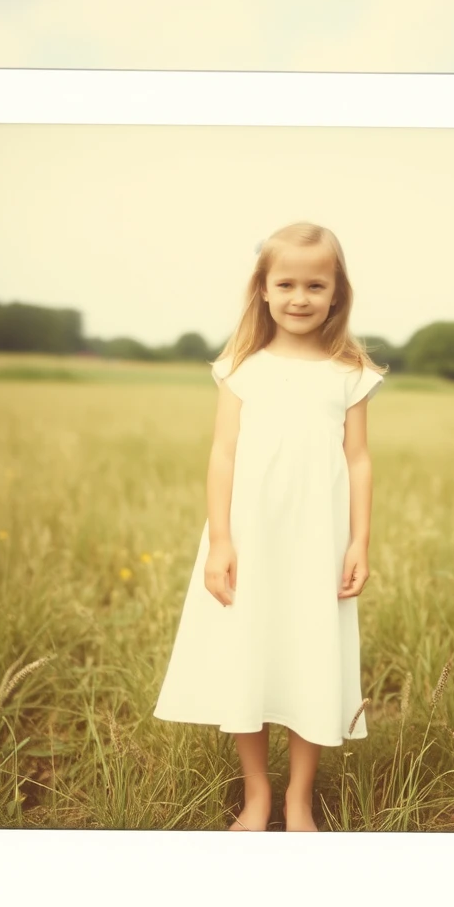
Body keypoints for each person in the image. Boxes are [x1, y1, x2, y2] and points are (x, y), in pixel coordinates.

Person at [153, 221, 387, 832]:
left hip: (317, 542)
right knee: (249, 655)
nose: (300, 297)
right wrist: (221, 541)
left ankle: (298, 799)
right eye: (286, 283)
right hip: (250, 539)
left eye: (316, 284)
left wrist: (360, 540)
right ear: (262, 288)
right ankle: (257, 794)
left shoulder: (349, 370)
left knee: (309, 656)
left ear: (337, 292)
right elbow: (222, 455)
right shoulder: (241, 367)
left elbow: (357, 459)